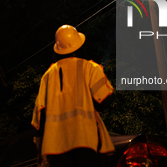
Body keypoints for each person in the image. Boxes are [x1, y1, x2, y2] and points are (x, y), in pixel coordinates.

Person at [31, 25, 115, 167]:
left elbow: (39, 117)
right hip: (87, 143)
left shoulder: (47, 76)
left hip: (55, 148)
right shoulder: (91, 68)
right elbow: (104, 101)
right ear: (80, 46)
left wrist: (40, 152)